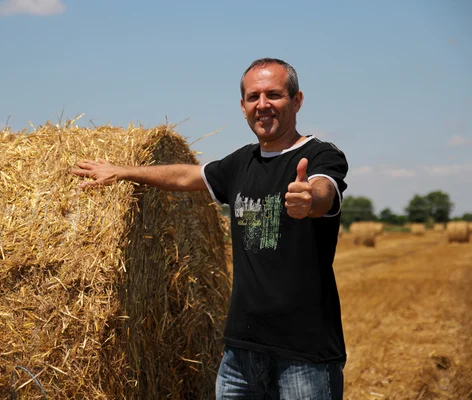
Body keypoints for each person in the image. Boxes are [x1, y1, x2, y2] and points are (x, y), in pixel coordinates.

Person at [72, 58, 348, 399]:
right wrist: (124, 171)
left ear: (297, 100)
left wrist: (310, 199)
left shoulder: (321, 155)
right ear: (243, 106)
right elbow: (185, 175)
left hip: (304, 355)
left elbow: (325, 190)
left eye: (274, 95)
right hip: (239, 353)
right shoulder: (240, 163)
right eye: (253, 97)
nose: (263, 105)